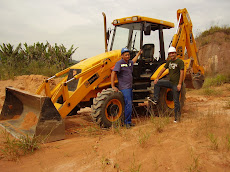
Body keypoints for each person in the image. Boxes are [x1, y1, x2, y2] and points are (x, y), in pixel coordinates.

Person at [149, 46, 184, 123]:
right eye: (170, 53)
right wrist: (157, 78)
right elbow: (162, 69)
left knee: (176, 101)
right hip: (170, 82)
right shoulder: (169, 62)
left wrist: (180, 84)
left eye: (173, 53)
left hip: (176, 84)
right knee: (157, 83)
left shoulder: (180, 62)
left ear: (175, 53)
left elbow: (182, 73)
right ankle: (155, 99)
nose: (171, 55)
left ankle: (177, 118)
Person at [111, 48, 142, 128]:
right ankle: (126, 123)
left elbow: (134, 60)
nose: (128, 56)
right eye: (126, 55)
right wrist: (113, 86)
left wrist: (138, 54)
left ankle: (128, 121)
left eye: (128, 55)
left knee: (129, 104)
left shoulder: (129, 63)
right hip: (124, 88)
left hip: (129, 87)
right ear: (122, 56)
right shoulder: (119, 63)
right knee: (128, 105)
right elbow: (113, 73)